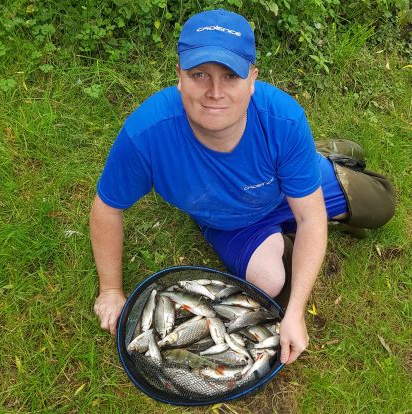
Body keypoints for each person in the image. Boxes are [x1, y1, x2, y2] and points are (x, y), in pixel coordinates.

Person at [90, 9, 395, 365]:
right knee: (269, 284)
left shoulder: (282, 118)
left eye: (230, 75)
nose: (214, 92)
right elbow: (107, 207)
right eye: (199, 75)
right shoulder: (146, 134)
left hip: (284, 190)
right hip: (232, 221)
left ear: (252, 79)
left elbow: (312, 219)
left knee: (380, 205)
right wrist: (111, 290)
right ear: (179, 77)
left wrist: (296, 313)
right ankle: (288, 216)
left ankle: (320, 157)